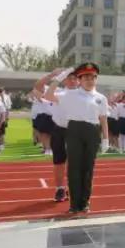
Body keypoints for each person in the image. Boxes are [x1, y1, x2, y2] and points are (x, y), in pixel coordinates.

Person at [44, 62, 109, 214]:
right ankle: (74, 204)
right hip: (74, 130)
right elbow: (48, 96)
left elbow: (103, 118)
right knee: (74, 168)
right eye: (86, 78)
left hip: (92, 131)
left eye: (92, 77)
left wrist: (106, 138)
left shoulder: (101, 98)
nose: (90, 81)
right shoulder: (70, 94)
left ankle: (85, 202)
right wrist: (59, 78)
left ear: (96, 79)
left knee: (88, 168)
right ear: (80, 80)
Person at [42, 67, 81, 203]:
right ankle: (59, 188)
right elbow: (47, 96)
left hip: (75, 130)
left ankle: (72, 187)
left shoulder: (83, 95)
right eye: (69, 78)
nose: (72, 80)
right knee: (59, 162)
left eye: (75, 78)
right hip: (59, 130)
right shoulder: (59, 93)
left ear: (78, 81)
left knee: (74, 162)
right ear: (64, 80)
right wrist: (58, 77)